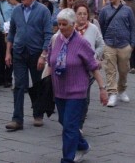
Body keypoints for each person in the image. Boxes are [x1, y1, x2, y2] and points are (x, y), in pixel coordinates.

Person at [48, 8, 108, 163]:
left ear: (73, 25)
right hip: (59, 90)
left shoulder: (81, 43)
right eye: (59, 24)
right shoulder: (56, 39)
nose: (60, 27)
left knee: (69, 126)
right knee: (65, 122)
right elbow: (50, 60)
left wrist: (102, 89)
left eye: (64, 24)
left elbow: (93, 66)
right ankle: (82, 145)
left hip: (77, 90)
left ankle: (67, 159)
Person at [5, 0, 53, 131]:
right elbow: (12, 32)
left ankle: (38, 114)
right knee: (19, 85)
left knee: (38, 84)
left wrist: (43, 55)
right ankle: (17, 119)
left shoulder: (43, 11)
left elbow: (48, 34)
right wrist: (8, 52)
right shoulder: (16, 11)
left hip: (36, 53)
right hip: (19, 52)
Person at [99, 0, 135, 107]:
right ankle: (112, 93)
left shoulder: (127, 10)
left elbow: (132, 27)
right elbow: (101, 26)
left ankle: (122, 89)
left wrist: (132, 44)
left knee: (124, 70)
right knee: (110, 70)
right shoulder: (104, 10)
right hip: (109, 43)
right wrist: (102, 42)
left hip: (124, 44)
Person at [74, 0, 105, 130]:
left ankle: (79, 125)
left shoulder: (93, 28)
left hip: (88, 69)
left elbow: (101, 44)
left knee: (84, 96)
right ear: (74, 15)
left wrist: (96, 57)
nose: (82, 16)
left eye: (84, 14)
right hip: (72, 68)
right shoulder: (69, 28)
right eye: (79, 13)